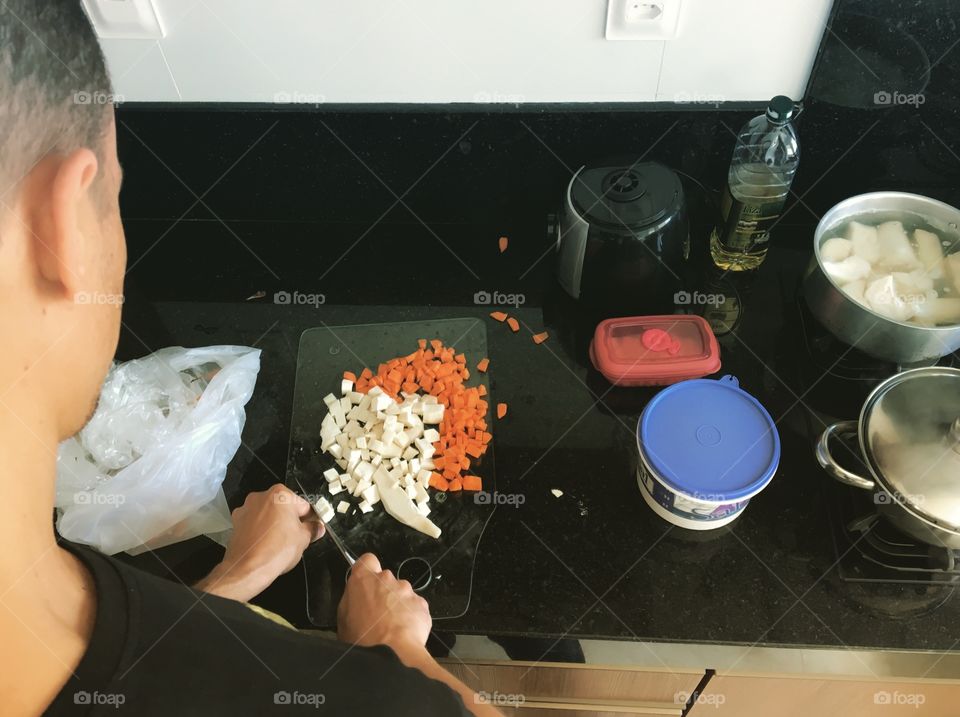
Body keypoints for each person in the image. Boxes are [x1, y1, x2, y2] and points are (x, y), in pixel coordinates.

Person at [0, 3, 501, 715]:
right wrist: (399, 650)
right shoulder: (358, 695)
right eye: (113, 197)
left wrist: (232, 580)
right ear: (62, 227)